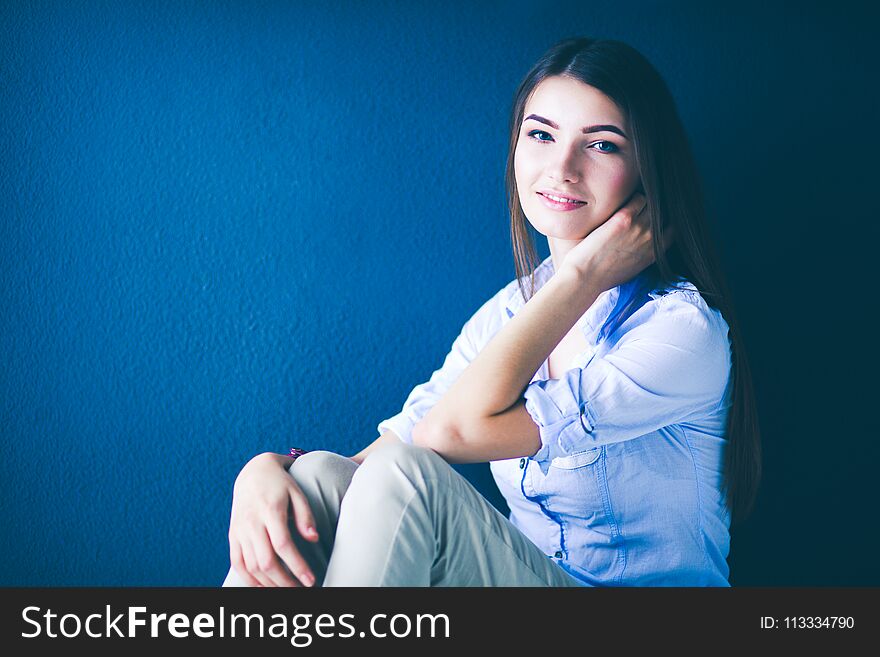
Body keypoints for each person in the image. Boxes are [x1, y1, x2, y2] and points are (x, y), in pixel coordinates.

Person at [222, 36, 761, 588]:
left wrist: (585, 273)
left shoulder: (680, 328)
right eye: (541, 135)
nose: (562, 167)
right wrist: (264, 470)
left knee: (406, 477)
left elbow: (451, 433)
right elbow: (377, 460)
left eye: (601, 145)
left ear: (648, 171)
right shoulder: (508, 311)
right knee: (313, 481)